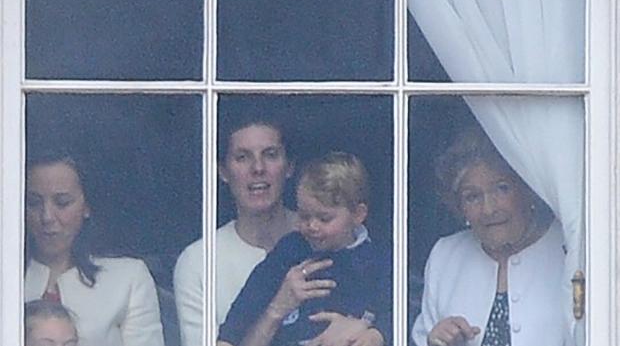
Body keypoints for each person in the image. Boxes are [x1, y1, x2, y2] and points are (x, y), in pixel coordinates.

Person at [175, 114, 384, 346]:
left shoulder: (374, 255)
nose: (258, 168)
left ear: (289, 166)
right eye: (242, 157)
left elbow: (399, 308)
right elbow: (234, 325)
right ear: (222, 171)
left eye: (270, 155)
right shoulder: (201, 261)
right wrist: (278, 307)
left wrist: (372, 333)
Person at [411, 127, 567, 346]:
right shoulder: (445, 254)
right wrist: (435, 340)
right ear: (459, 206)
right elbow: (421, 338)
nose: (488, 209)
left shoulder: (568, 247)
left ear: (527, 190)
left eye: (502, 189)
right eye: (472, 197)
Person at [218, 151, 390, 346]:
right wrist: (227, 338)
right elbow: (251, 298)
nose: (312, 226)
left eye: (324, 218)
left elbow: (401, 313)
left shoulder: (379, 261)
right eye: (304, 216)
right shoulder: (290, 250)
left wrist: (375, 335)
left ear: (358, 214)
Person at [24, 148, 165, 346]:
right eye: (33, 202)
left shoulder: (128, 278)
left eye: (62, 203)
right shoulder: (7, 278)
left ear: (87, 206)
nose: (47, 216)